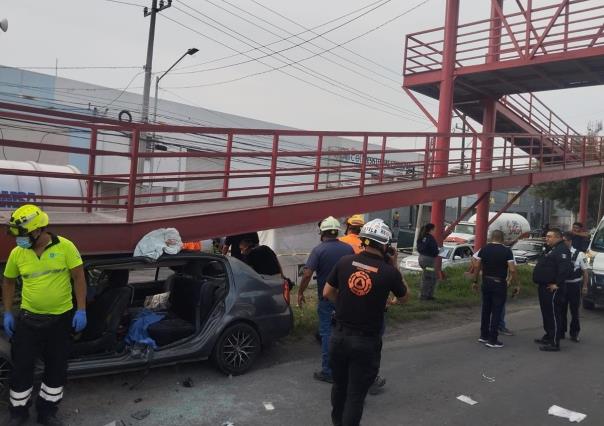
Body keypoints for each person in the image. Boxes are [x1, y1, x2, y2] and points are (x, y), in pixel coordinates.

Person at [2, 204, 87, 426]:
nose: (18, 239)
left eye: (22, 234)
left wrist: (81, 309)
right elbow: (9, 281)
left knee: (56, 367)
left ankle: (47, 412)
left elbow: (79, 277)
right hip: (29, 320)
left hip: (60, 320)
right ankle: (18, 413)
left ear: (39, 230)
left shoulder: (66, 247)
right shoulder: (18, 253)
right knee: (21, 368)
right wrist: (8, 312)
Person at [323, 219, 408, 426]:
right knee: (355, 394)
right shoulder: (389, 272)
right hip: (365, 341)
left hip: (339, 336)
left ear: (363, 240)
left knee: (339, 387)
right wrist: (394, 265)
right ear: (386, 246)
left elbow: (327, 292)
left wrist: (345, 303)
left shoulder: (345, 262)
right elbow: (404, 298)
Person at [298, 216, 354, 383]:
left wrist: (300, 292)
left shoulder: (318, 250)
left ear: (321, 232)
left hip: (327, 298)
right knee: (344, 331)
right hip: (345, 298)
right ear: (337, 231)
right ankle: (345, 365)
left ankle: (328, 371)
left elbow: (307, 274)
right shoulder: (348, 249)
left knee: (327, 333)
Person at [470, 230, 519, 348]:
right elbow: (512, 269)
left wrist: (475, 281)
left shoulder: (484, 249)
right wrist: (517, 284)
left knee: (486, 309)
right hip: (499, 283)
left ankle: (483, 335)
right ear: (503, 239)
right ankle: (493, 340)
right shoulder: (507, 251)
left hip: (486, 281)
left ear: (491, 237)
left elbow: (476, 265)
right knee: (497, 311)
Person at [532, 228, 573, 352]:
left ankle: (554, 342)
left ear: (558, 237)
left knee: (554, 315)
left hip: (553, 288)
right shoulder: (552, 249)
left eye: (549, 236)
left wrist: (557, 284)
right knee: (547, 313)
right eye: (546, 236)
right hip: (544, 286)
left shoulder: (562, 250)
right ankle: (549, 335)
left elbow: (565, 270)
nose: (546, 238)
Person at [561, 231, 589, 342]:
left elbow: (585, 271)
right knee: (561, 310)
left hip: (574, 285)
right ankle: (561, 332)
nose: (563, 243)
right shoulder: (559, 252)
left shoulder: (580, 254)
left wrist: (585, 286)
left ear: (570, 241)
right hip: (562, 285)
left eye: (565, 241)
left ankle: (574, 333)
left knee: (574, 311)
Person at [417, 223, 439, 300]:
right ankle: (425, 295)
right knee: (429, 277)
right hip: (428, 261)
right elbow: (434, 250)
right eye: (434, 229)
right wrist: (438, 252)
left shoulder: (422, 237)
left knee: (428, 275)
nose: (435, 231)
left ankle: (427, 294)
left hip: (421, 258)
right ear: (431, 230)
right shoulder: (430, 238)